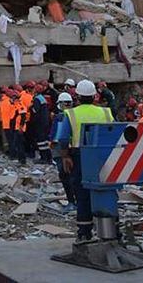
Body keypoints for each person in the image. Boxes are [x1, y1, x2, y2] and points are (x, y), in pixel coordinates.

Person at [56, 79, 114, 241]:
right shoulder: (105, 113)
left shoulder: (71, 114)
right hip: (103, 157)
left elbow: (62, 138)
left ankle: (84, 232)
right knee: (106, 191)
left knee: (82, 194)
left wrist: (65, 156)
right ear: (95, 96)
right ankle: (111, 228)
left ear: (78, 97)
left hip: (80, 156)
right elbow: (114, 133)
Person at [50, 92, 76, 212]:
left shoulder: (60, 117)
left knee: (65, 175)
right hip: (73, 148)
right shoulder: (74, 115)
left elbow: (56, 136)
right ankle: (76, 201)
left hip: (62, 149)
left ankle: (72, 201)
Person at [10, 90, 28, 164]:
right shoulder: (15, 105)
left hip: (19, 128)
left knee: (19, 144)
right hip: (16, 127)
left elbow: (23, 117)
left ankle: (22, 160)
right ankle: (20, 159)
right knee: (18, 144)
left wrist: (20, 127)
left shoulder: (20, 105)